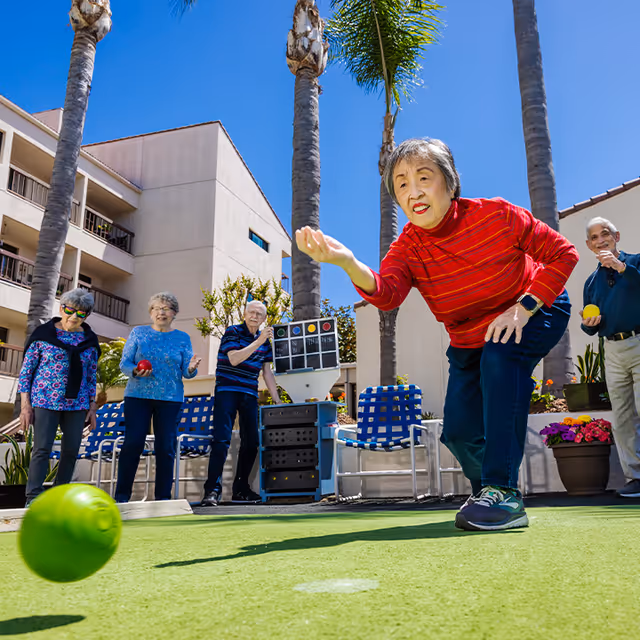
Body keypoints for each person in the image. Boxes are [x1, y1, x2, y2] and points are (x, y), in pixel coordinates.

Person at [296, 137, 579, 531]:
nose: (413, 192)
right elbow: (388, 293)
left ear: (450, 182)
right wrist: (347, 262)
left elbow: (563, 254)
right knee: (460, 433)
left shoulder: (497, 215)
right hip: (468, 338)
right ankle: (488, 494)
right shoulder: (408, 247)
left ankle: (504, 493)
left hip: (535, 308)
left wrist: (523, 307)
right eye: (401, 184)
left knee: (501, 358)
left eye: (423, 178)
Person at [114, 292, 201, 503]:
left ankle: (162, 498)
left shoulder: (182, 338)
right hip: (138, 396)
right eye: (156, 308)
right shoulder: (138, 333)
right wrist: (135, 371)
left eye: (166, 309)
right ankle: (121, 498)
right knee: (133, 443)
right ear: (151, 312)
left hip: (170, 399)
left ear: (175, 313)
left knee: (166, 446)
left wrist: (191, 368)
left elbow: (187, 372)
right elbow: (124, 363)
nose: (161, 312)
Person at [18, 288, 101, 505]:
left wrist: (92, 407)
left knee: (72, 449)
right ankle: (33, 497)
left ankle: (59, 496)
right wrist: (26, 405)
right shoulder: (43, 335)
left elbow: (91, 376)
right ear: (61, 307)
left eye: (81, 313)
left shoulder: (90, 341)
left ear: (87, 315)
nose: (73, 316)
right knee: (42, 448)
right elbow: (26, 372)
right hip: (45, 400)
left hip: (78, 402)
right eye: (69, 310)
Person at [580, 217, 640, 498]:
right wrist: (588, 325)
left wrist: (623, 268)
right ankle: (635, 477)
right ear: (589, 245)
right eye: (594, 237)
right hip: (612, 350)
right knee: (622, 416)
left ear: (616, 236)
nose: (601, 240)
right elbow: (590, 324)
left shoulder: (636, 262)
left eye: (605, 234)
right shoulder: (591, 282)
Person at [201, 300, 281, 506]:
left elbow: (267, 372)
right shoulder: (233, 332)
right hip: (227, 391)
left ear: (264, 319)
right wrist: (259, 340)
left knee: (252, 442)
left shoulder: (265, 342)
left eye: (259, 314)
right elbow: (235, 358)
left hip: (249, 394)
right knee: (221, 441)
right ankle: (212, 491)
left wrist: (278, 399)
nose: (255, 316)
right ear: (245, 314)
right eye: (251, 312)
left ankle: (241, 488)